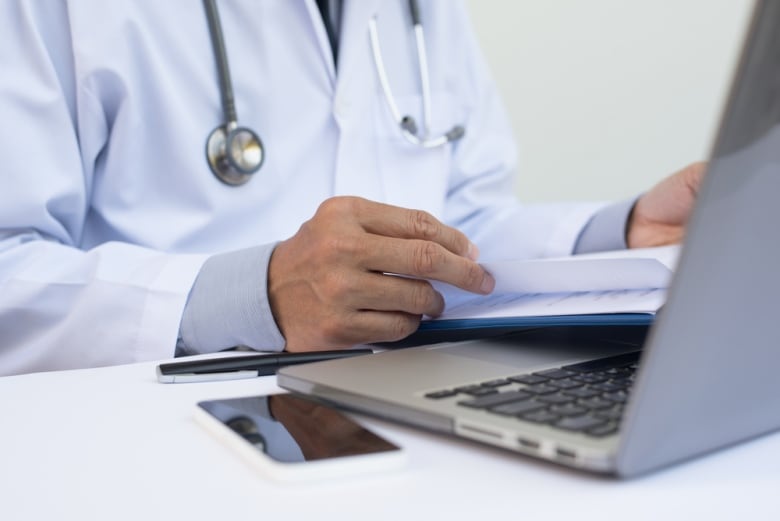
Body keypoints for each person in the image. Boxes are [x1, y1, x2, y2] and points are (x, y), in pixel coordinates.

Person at [0, 0, 703, 376]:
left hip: (396, 402)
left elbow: (456, 223)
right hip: (148, 429)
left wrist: (622, 232)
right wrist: (252, 294)